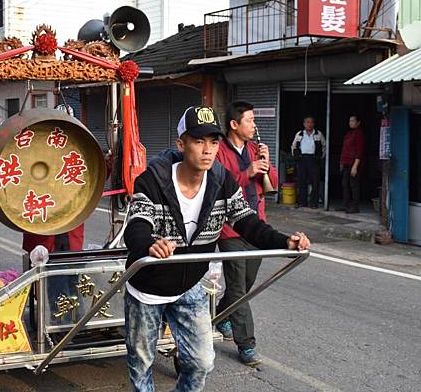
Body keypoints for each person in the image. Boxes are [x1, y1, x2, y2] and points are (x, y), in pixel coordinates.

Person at [123, 106, 310, 392]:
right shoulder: (152, 181)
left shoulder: (222, 181)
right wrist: (149, 244)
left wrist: (285, 242)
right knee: (142, 365)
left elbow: (248, 222)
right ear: (181, 144)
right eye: (199, 141)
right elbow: (136, 226)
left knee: (201, 363)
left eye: (213, 142)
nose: (208, 150)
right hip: (148, 289)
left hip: (189, 285)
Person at [213, 101, 279, 367]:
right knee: (239, 288)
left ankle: (220, 315)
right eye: (249, 120)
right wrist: (246, 173)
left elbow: (273, 184)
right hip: (229, 229)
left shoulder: (254, 149)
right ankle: (247, 345)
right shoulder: (218, 152)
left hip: (256, 225)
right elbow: (218, 185)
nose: (254, 125)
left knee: (246, 283)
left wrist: (266, 162)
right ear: (234, 125)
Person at [291, 116, 326, 209]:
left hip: (314, 160)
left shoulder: (318, 134)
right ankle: (303, 202)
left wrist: (320, 157)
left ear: (313, 124)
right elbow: (293, 146)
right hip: (302, 160)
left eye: (311, 122)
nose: (309, 124)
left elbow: (324, 146)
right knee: (302, 182)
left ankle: (313, 203)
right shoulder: (300, 134)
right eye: (307, 122)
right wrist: (296, 157)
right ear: (304, 124)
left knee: (315, 182)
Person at [339, 115, 365, 213]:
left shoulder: (359, 134)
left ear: (358, 123)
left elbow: (359, 151)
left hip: (354, 163)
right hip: (346, 162)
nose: (351, 123)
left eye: (353, 121)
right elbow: (344, 149)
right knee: (345, 184)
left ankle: (355, 207)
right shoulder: (349, 133)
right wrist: (341, 162)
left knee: (354, 185)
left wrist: (355, 165)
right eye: (350, 121)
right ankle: (345, 205)